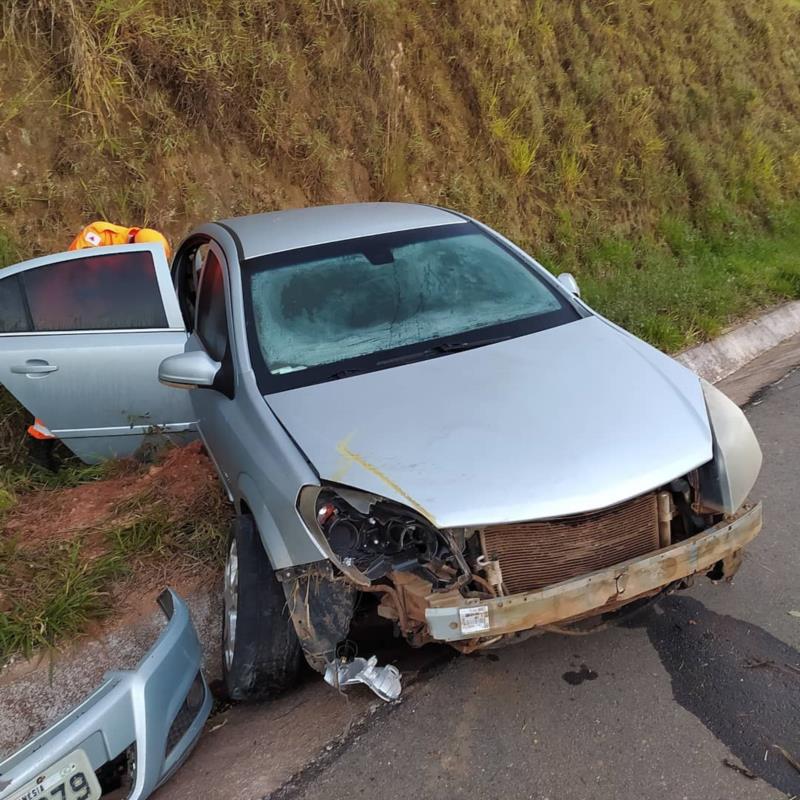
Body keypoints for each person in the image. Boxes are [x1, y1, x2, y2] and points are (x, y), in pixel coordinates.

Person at [26, 221, 172, 467]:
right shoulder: (99, 235)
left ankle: (87, 442)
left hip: (99, 319)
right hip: (66, 314)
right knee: (61, 380)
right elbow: (72, 272)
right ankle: (39, 449)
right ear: (132, 244)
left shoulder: (140, 259)